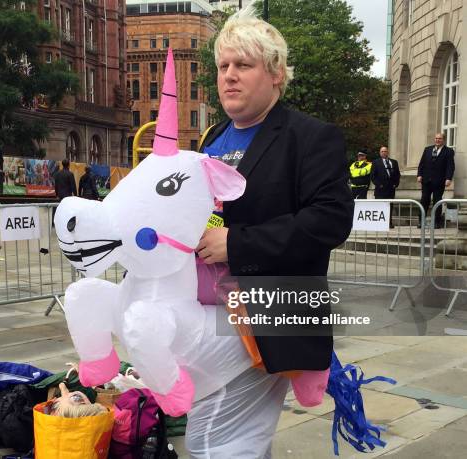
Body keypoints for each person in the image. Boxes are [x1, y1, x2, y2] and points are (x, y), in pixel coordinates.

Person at [194, 7, 354, 458]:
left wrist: (238, 244)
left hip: (273, 313)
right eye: (223, 66)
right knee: (234, 441)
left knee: (218, 443)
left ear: (277, 74)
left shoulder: (311, 136)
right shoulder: (212, 140)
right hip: (211, 312)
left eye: (243, 65)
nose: (229, 76)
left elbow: (330, 219)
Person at [417, 133, 455, 228]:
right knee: (424, 200)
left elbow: (450, 166)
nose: (437, 140)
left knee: (437, 201)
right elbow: (422, 163)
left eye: (440, 138)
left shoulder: (448, 151)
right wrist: (419, 175)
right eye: (436, 138)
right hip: (426, 180)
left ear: (443, 140)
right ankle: (421, 221)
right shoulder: (428, 149)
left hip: (439, 181)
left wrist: (448, 178)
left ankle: (436, 222)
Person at [371, 146, 400, 228]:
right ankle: (380, 223)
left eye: (385, 151)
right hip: (380, 189)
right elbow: (373, 176)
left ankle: (389, 222)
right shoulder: (376, 162)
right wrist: (379, 184)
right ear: (380, 153)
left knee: (390, 206)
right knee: (380, 206)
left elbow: (397, 174)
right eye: (382, 151)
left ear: (388, 152)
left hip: (391, 189)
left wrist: (396, 184)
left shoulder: (394, 162)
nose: (384, 153)